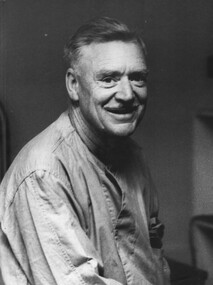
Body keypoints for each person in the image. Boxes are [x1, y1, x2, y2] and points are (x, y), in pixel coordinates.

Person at [0, 17, 170, 285]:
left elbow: (152, 264)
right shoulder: (44, 173)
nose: (127, 94)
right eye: (108, 79)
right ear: (73, 85)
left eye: (137, 78)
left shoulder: (133, 156)